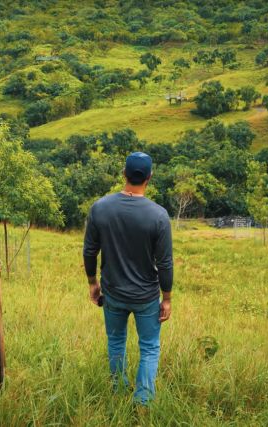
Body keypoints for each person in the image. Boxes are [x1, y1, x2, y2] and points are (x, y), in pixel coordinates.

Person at [83, 152, 174, 406]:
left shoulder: (100, 208)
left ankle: (117, 391)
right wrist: (166, 298)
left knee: (116, 342)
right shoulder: (159, 216)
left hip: (112, 292)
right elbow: (165, 263)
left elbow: (90, 251)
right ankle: (143, 402)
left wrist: (93, 282)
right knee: (149, 347)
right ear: (149, 177)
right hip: (146, 296)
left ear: (124, 174)